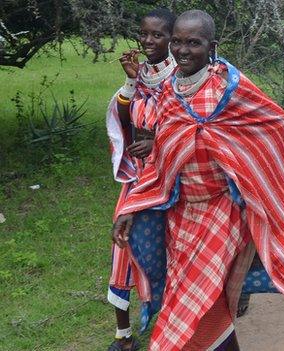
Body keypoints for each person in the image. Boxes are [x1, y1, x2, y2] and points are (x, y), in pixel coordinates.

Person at [111, 10, 284, 350]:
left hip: (222, 214)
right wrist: (132, 204)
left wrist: (249, 174)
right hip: (182, 219)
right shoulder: (170, 91)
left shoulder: (229, 87)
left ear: (211, 46)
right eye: (178, 42)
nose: (183, 50)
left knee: (189, 305)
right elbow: (161, 159)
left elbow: (276, 126)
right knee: (204, 302)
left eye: (194, 43)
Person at [104, 8, 176, 351]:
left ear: (172, 39)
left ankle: (174, 322)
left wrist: (158, 141)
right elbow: (124, 115)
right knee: (123, 247)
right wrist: (132, 80)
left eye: (157, 35)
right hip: (138, 181)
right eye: (144, 34)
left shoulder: (182, 74)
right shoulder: (144, 73)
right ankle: (123, 336)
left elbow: (189, 127)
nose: (148, 41)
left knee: (168, 251)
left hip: (171, 180)